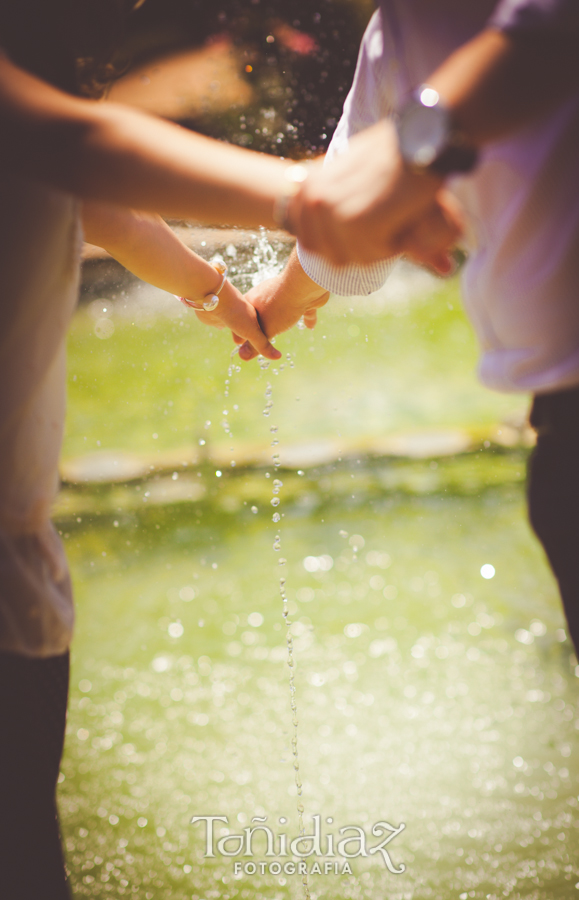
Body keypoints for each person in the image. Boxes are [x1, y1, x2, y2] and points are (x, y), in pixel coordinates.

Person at [0, 1, 330, 896]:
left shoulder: (53, 146)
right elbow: (79, 150)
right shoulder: (40, 127)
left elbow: (110, 210)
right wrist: (312, 201)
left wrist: (227, 298)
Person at [240, 0, 579, 774]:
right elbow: (346, 227)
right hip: (575, 441)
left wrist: (413, 146)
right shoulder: (400, 25)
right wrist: (273, 303)